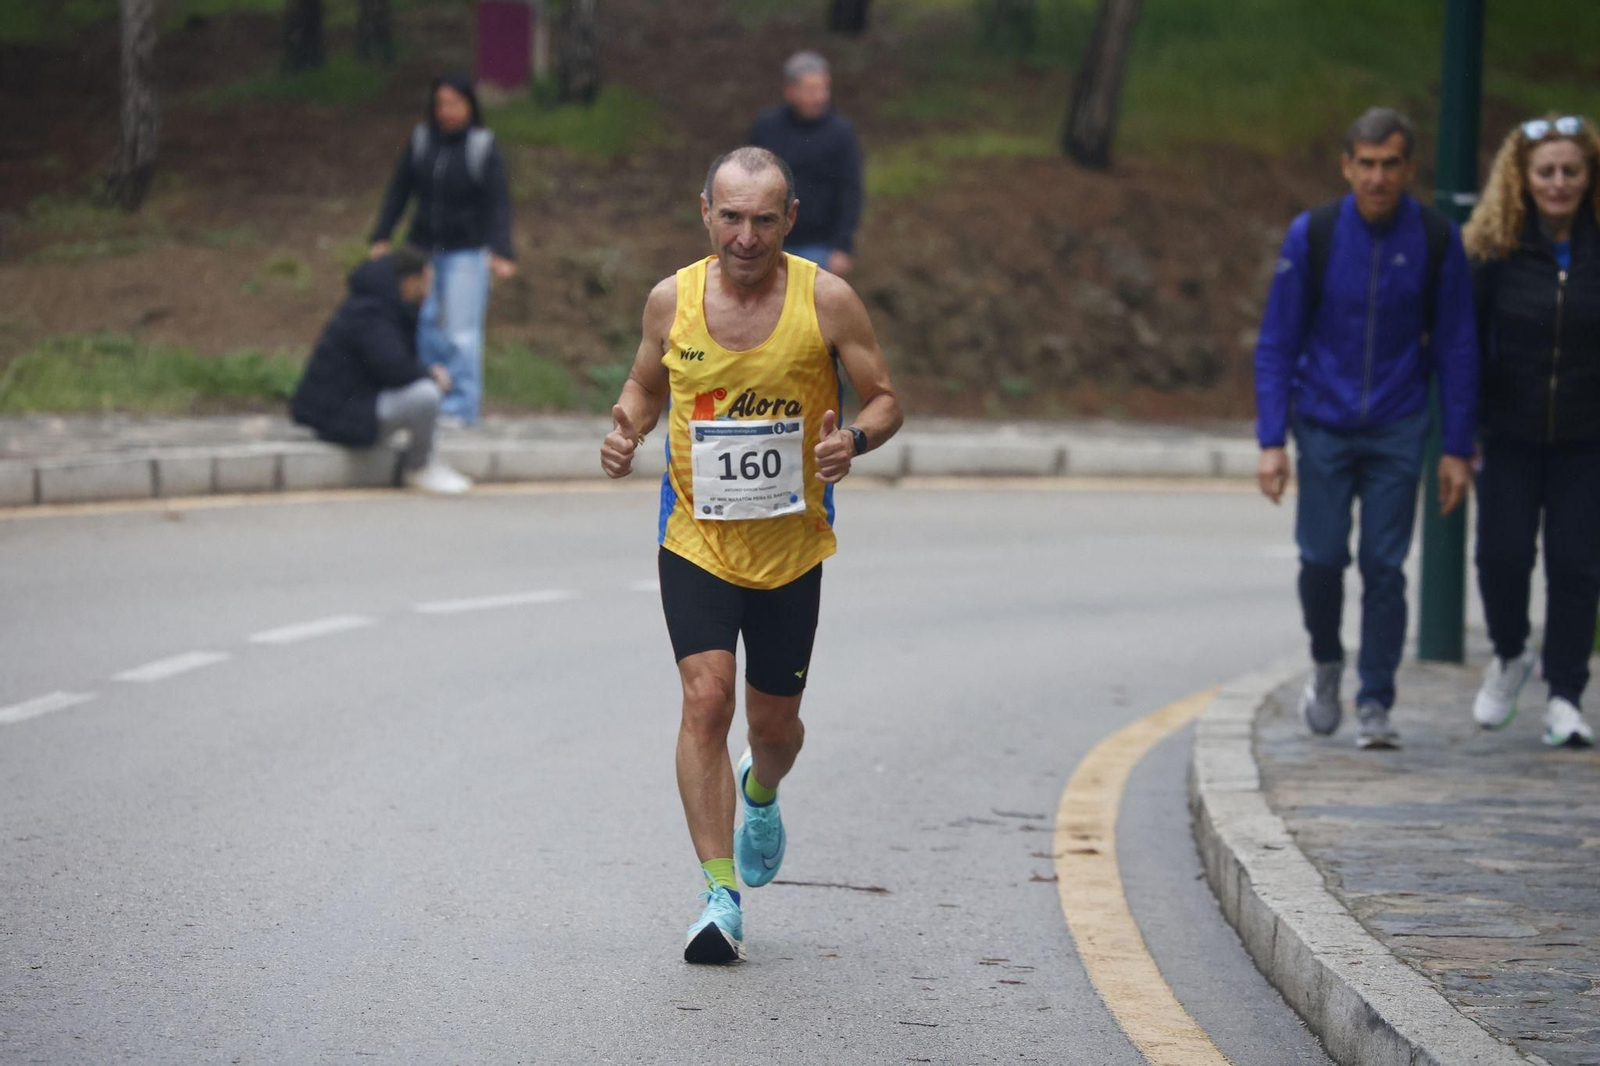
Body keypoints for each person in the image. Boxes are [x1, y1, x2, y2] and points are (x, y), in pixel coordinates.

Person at [599, 146, 902, 963]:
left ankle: (760, 791)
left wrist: (854, 439)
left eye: (763, 220)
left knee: (776, 727)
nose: (745, 236)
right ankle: (719, 896)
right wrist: (627, 427)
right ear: (705, 213)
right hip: (695, 537)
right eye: (730, 217)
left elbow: (885, 399)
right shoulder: (671, 300)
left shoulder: (826, 299)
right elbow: (643, 386)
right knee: (706, 700)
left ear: (789, 219)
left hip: (790, 550)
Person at [1253, 107, 1478, 749]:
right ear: (1347, 166)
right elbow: (1277, 341)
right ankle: (1327, 661)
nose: (1378, 178)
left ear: (1409, 169)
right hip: (1323, 422)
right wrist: (1272, 439)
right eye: (1367, 164)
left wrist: (1456, 446)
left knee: (1385, 565)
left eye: (1391, 165)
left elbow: (1458, 346)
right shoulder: (1315, 234)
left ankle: (1376, 699)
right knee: (1322, 558)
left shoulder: (1435, 239)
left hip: (1398, 424)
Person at [1462, 114, 1600, 748]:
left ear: (1589, 176)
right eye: (1546, 171)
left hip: (1586, 440)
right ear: (1523, 178)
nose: (1559, 183)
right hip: (1509, 435)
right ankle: (1511, 652)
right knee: (1502, 555)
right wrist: (1462, 437)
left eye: (1571, 170)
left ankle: (1565, 695)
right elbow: (1464, 345)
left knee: (1576, 567)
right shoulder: (1494, 250)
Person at [369, 73, 517, 427]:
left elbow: (497, 201)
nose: (446, 111)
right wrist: (382, 234)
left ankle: (462, 405)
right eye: (440, 104)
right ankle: (427, 399)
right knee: (422, 325)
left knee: (461, 332)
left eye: (454, 103)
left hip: (466, 251)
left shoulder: (481, 146)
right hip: (422, 249)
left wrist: (502, 249)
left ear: (469, 105)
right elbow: (400, 190)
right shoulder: (422, 140)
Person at [290, 247, 472, 495]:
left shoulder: (377, 306)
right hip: (338, 415)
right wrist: (429, 375)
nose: (428, 292)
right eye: (425, 283)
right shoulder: (371, 313)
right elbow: (392, 367)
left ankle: (425, 462)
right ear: (409, 282)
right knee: (426, 394)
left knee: (423, 387)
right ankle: (419, 468)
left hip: (349, 405)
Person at [747, 51, 863, 277]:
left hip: (820, 247)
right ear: (789, 90)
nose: (820, 97)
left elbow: (851, 191)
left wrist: (842, 246)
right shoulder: (766, 127)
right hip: (771, 241)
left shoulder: (841, 133)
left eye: (824, 89)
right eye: (811, 90)